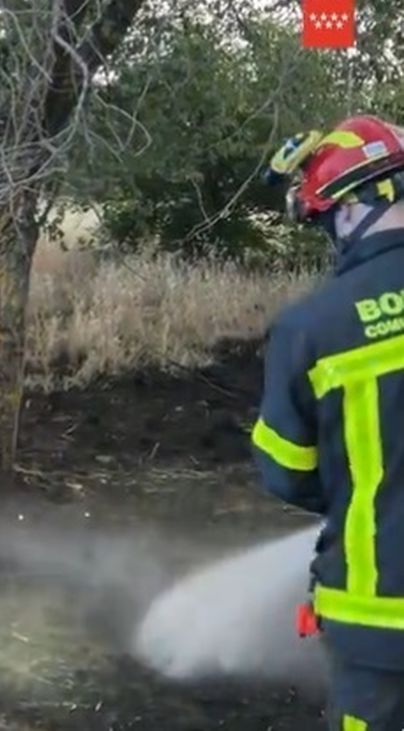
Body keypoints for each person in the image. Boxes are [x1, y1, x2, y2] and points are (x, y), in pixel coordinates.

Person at [256, 114, 404, 730]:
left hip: (377, 623)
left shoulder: (313, 328)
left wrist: (366, 496)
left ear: (351, 210)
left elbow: (287, 472)